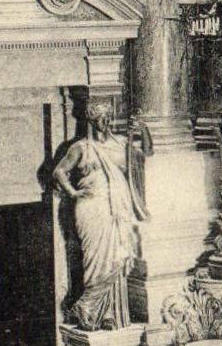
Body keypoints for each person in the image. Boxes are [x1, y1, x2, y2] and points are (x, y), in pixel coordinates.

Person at [52, 101, 150, 331]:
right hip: (91, 208)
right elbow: (59, 171)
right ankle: (88, 307)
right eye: (100, 118)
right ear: (91, 121)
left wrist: (143, 130)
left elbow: (145, 153)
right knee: (96, 260)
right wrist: (74, 192)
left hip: (117, 207)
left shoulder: (121, 144)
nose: (104, 122)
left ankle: (104, 312)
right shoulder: (82, 147)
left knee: (119, 255)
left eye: (107, 117)